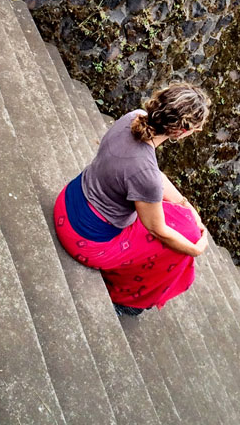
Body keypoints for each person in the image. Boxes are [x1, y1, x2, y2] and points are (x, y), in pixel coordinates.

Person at [54, 82, 211, 317]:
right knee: (185, 235)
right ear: (182, 131)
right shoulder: (144, 174)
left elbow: (150, 174)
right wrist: (195, 249)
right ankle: (129, 300)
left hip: (67, 202)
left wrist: (184, 203)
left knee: (182, 216)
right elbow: (159, 230)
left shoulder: (134, 118)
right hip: (83, 239)